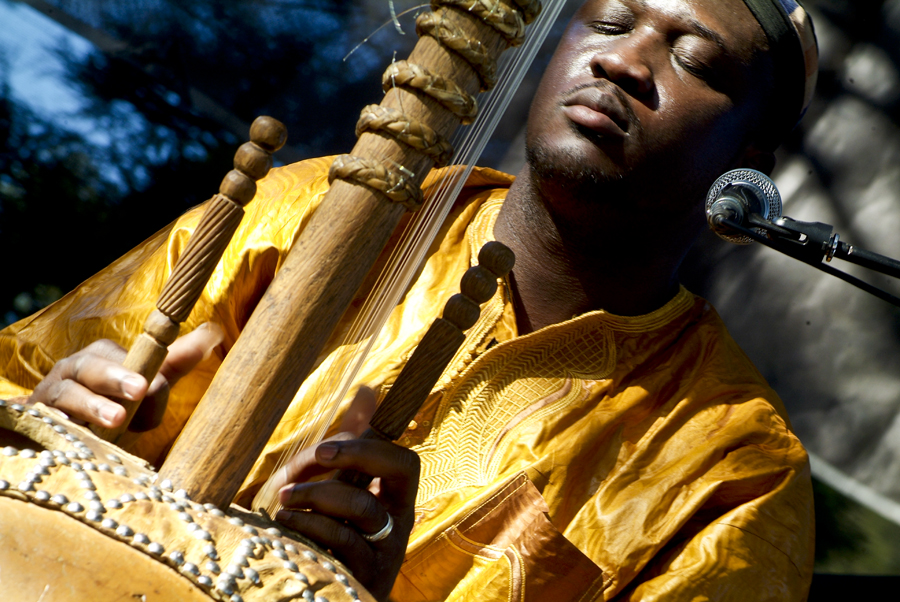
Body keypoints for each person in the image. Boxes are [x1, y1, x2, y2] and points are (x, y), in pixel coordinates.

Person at [0, 0, 819, 599]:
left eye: (694, 61)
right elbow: (14, 387)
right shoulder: (312, 213)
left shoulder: (733, 464)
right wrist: (43, 419)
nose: (624, 62)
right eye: (607, 23)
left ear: (748, 155)